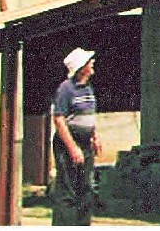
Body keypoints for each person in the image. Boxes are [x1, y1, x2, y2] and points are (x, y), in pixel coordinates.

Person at [51, 47, 101, 226]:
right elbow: (59, 119)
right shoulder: (66, 89)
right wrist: (73, 148)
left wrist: (95, 136)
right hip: (69, 144)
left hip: (85, 143)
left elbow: (89, 113)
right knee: (68, 190)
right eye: (89, 62)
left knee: (85, 188)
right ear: (81, 67)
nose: (93, 63)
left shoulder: (87, 87)